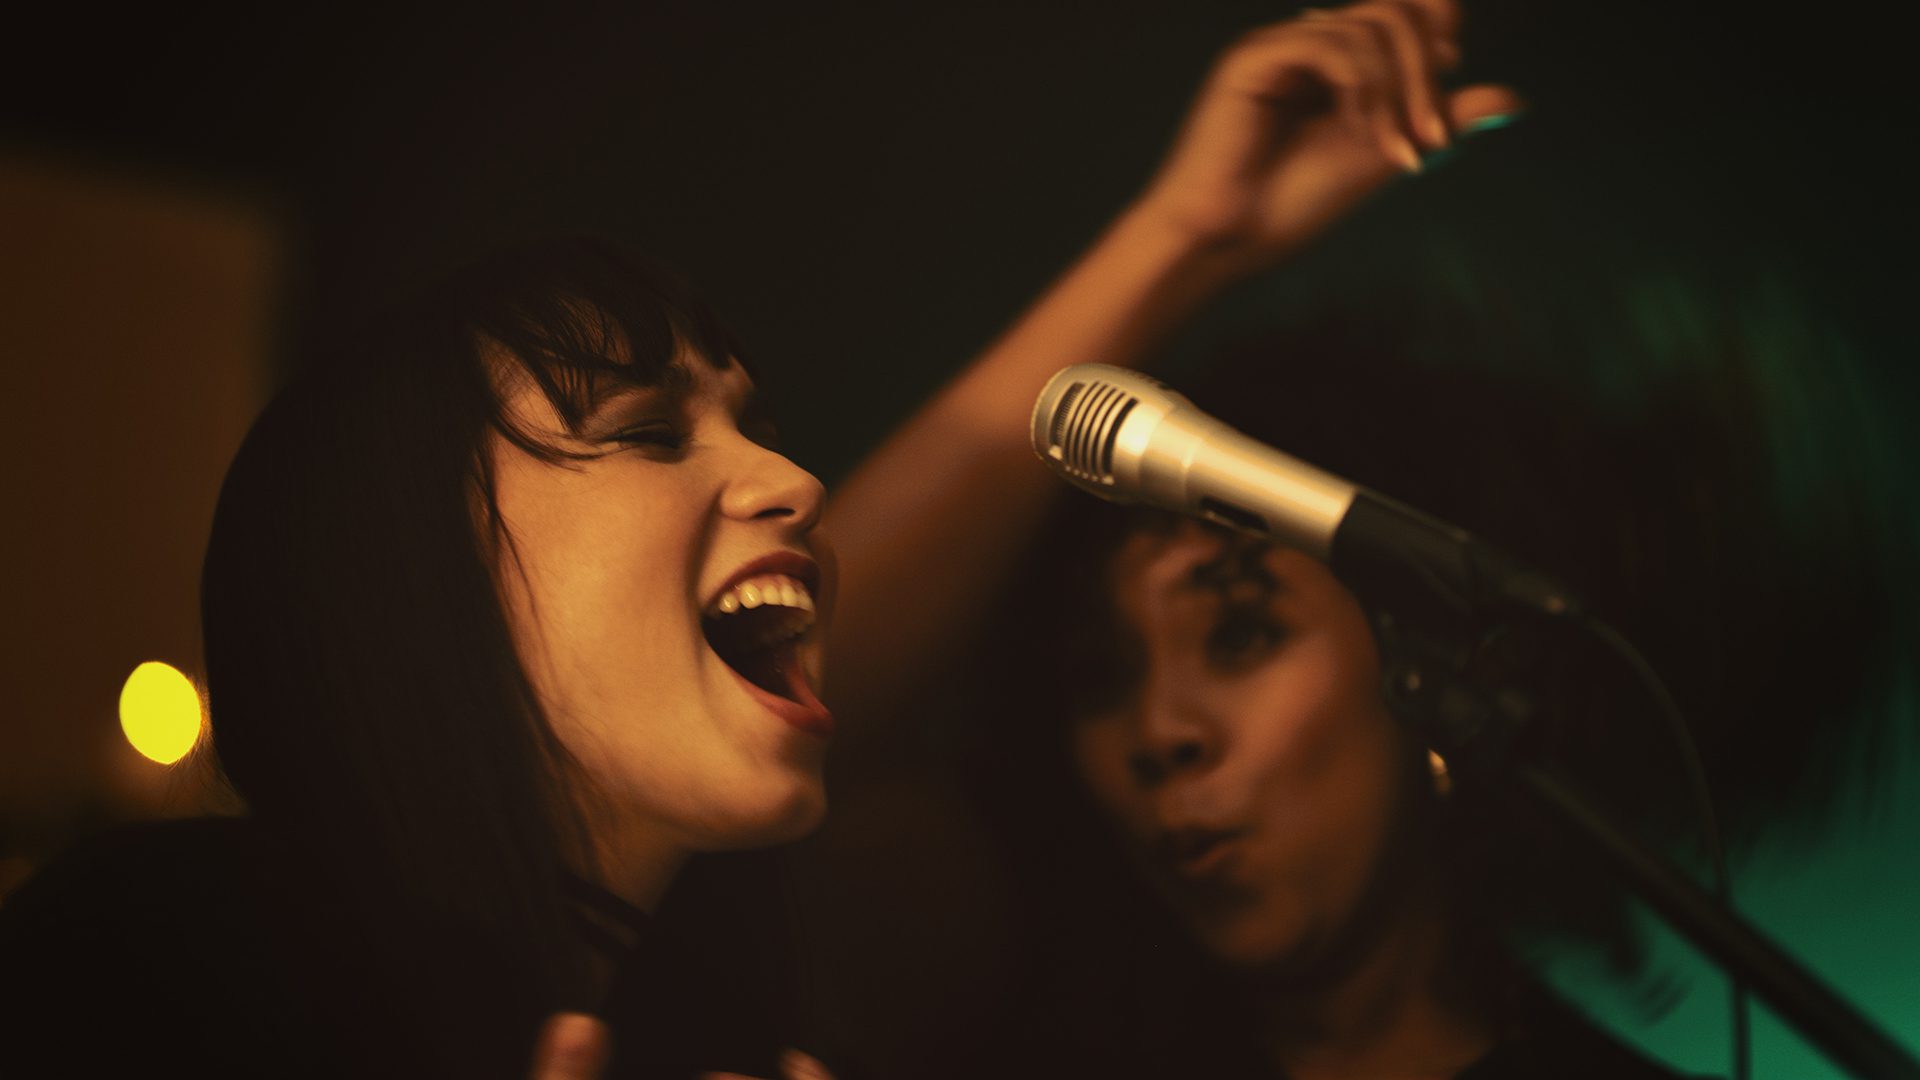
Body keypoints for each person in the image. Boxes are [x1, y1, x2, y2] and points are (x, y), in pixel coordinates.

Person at [805, 0, 1908, 1076]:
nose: (1161, 730)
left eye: (1239, 637)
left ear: (1429, 668)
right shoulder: (1019, 1012)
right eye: (1099, 677)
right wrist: (1184, 238)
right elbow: (803, 674)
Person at [0, 239, 842, 1078]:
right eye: (651, 432)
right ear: (407, 564)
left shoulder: (716, 1028)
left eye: (755, 427)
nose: (796, 480)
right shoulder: (151, 960)